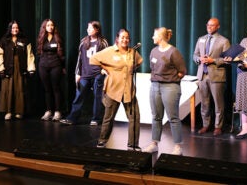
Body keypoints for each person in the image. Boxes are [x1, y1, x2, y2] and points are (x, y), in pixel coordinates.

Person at [89, 28, 143, 151]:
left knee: (135, 117)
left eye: (127, 37)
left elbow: (139, 62)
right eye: (122, 37)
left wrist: (130, 70)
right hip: (113, 89)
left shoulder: (132, 52)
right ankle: (102, 141)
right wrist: (104, 68)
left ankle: (132, 144)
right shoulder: (110, 51)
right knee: (108, 117)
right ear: (117, 38)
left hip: (129, 89)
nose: (125, 40)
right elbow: (93, 59)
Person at [142, 27, 187, 155]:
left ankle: (178, 146)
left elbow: (182, 71)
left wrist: (170, 79)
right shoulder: (153, 51)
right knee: (156, 116)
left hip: (170, 87)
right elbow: (153, 68)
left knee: (173, 117)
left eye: (154, 35)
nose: (152, 37)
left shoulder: (173, 52)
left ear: (160, 37)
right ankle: (154, 143)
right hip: (155, 86)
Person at [60, 21, 108, 126]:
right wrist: (77, 73)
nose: (88, 30)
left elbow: (107, 58)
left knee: (97, 96)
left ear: (97, 29)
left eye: (91, 28)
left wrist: (104, 70)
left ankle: (96, 118)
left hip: (97, 74)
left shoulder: (103, 42)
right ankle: (72, 118)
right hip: (85, 74)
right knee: (79, 95)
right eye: (88, 28)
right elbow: (80, 59)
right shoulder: (84, 41)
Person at [193, 17, 230, 136]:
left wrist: (212, 60)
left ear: (218, 26)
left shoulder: (223, 41)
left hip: (216, 76)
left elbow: (227, 60)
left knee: (218, 103)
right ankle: (205, 125)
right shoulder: (201, 39)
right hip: (202, 75)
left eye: (212, 25)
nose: (209, 27)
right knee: (204, 103)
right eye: (208, 25)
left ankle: (218, 126)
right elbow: (195, 55)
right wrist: (199, 59)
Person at [0, 20, 35, 120]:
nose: (15, 29)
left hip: (21, 68)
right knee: (8, 89)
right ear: (10, 29)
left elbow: (30, 55)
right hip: (8, 68)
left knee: (20, 89)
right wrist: (0, 68)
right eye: (13, 28)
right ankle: (8, 111)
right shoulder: (4, 40)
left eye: (16, 28)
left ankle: (19, 112)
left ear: (19, 29)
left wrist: (31, 68)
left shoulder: (25, 40)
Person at [37, 19, 65, 121]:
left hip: (55, 65)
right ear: (44, 27)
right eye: (48, 25)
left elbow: (62, 54)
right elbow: (39, 52)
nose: (50, 27)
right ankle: (48, 111)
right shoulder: (41, 38)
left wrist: (63, 67)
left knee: (56, 88)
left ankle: (58, 112)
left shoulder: (57, 38)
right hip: (43, 66)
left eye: (52, 25)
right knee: (47, 89)